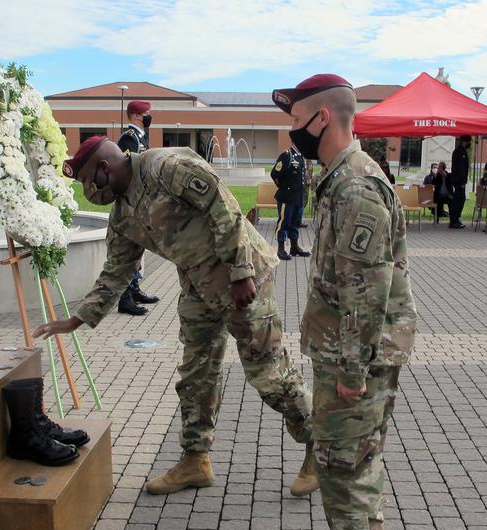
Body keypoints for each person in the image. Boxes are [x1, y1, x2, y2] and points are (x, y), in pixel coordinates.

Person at [32, 136, 317, 497]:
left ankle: (320, 446)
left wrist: (240, 270)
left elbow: (223, 208)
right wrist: (79, 318)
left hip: (242, 281)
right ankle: (195, 460)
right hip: (199, 288)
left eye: (89, 181)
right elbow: (117, 270)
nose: (89, 191)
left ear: (104, 168)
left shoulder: (165, 167)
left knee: (268, 375)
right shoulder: (122, 214)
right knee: (196, 374)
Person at [273, 73, 417, 530]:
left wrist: (353, 371)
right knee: (352, 457)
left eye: (296, 120)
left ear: (322, 117)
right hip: (342, 349)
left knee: (342, 462)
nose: (293, 131)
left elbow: (367, 290)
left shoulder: (355, 186)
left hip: (354, 357)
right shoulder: (340, 175)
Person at [115, 100, 160, 316]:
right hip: (131, 201)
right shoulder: (128, 138)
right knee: (128, 248)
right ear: (135, 116)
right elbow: (128, 168)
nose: (149, 117)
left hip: (141, 200)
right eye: (146, 114)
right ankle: (124, 299)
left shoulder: (140, 137)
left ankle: (134, 289)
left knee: (138, 246)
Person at [271, 146, 310, 260]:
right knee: (284, 222)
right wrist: (283, 187)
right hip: (287, 197)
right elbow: (275, 174)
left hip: (298, 197)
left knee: (295, 223)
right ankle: (281, 249)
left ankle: (294, 247)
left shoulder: (300, 156)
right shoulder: (287, 155)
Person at [449, 135, 471, 229]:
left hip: (458, 180)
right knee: (459, 200)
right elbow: (461, 168)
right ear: (464, 141)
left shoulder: (459, 151)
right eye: (468, 142)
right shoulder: (460, 152)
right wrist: (462, 182)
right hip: (459, 181)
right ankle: (455, 220)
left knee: (458, 200)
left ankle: (455, 219)